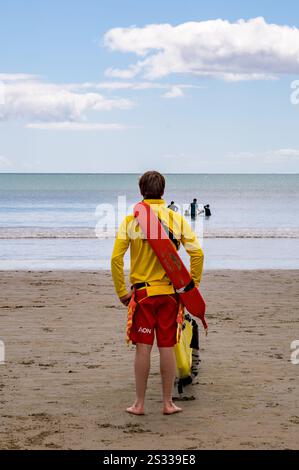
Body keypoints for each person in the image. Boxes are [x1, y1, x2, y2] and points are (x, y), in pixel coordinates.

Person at [111, 171, 204, 416]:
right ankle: (167, 403)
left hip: (142, 296)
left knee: (143, 348)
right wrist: (191, 286)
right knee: (167, 346)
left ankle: (139, 404)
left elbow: (116, 259)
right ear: (163, 191)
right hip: (171, 295)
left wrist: (122, 292)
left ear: (141, 191)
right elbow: (197, 254)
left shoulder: (131, 220)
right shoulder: (176, 219)